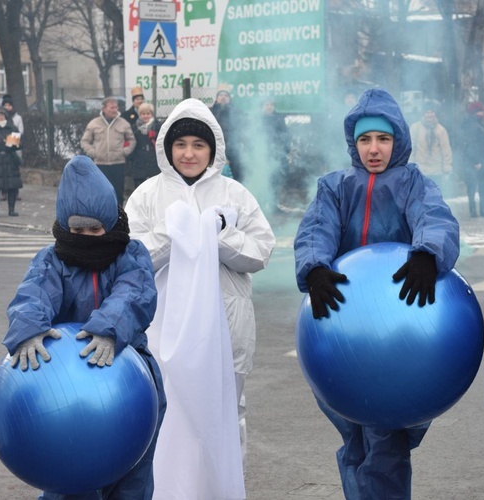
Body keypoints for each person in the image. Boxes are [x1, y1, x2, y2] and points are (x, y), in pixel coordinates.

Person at [293, 88, 460, 499]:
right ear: (354, 143)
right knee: (356, 440)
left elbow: (435, 219)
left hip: (400, 330)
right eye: (365, 140)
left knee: (386, 439)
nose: (373, 149)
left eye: (383, 139)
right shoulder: (335, 186)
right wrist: (314, 267)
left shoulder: (413, 183)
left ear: (397, 141)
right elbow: (318, 228)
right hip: (345, 330)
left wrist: (428, 253)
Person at [125, 98, 275, 498]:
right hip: (163, 332)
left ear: (212, 150)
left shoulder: (235, 195)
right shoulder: (147, 195)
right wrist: (173, 232)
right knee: (165, 416)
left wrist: (215, 233)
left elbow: (261, 250)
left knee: (223, 416)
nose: (189, 153)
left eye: (198, 144)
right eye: (180, 144)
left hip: (225, 328)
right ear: (167, 148)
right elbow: (131, 257)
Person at [3, 155, 166, 499]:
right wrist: (28, 328)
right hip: (65, 380)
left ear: (111, 222)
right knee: (66, 473)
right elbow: (33, 293)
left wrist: (108, 327)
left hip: (127, 368)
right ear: (65, 227)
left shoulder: (130, 254)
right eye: (77, 230)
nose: (87, 237)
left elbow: (134, 293)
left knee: (132, 476)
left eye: (95, 229)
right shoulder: (53, 260)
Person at [81, 97, 136, 203]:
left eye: (116, 107)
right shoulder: (94, 123)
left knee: (118, 194)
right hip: (100, 164)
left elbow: (132, 140)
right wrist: (94, 153)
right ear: (104, 109)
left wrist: (124, 152)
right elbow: (85, 141)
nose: (114, 110)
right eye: (111, 107)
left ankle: (119, 217)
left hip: (118, 164)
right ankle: (102, 217)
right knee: (100, 193)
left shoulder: (123, 123)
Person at [458, 101, 484, 217]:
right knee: (472, 186)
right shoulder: (472, 125)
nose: (483, 113)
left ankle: (481, 210)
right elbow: (470, 145)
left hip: (481, 160)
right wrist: (475, 161)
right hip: (474, 161)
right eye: (481, 111)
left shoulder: (478, 123)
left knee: (481, 186)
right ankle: (474, 211)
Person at [409, 103, 453, 192]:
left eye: (432, 112)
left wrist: (447, 169)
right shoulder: (415, 128)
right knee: (421, 198)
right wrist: (410, 166)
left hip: (437, 171)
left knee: (435, 198)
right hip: (420, 171)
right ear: (423, 114)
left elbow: (446, 151)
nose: (429, 115)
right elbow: (411, 149)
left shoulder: (441, 130)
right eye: (427, 112)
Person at [209, 83, 244, 181]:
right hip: (215, 149)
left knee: (237, 176)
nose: (223, 97)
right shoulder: (211, 112)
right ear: (216, 98)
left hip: (233, 149)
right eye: (221, 95)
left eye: (226, 95)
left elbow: (242, 129)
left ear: (229, 98)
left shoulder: (236, 112)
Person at [129, 102, 160, 188]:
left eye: (148, 114)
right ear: (140, 114)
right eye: (143, 114)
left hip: (154, 161)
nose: (146, 116)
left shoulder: (158, 126)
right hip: (139, 162)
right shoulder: (134, 127)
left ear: (152, 114)